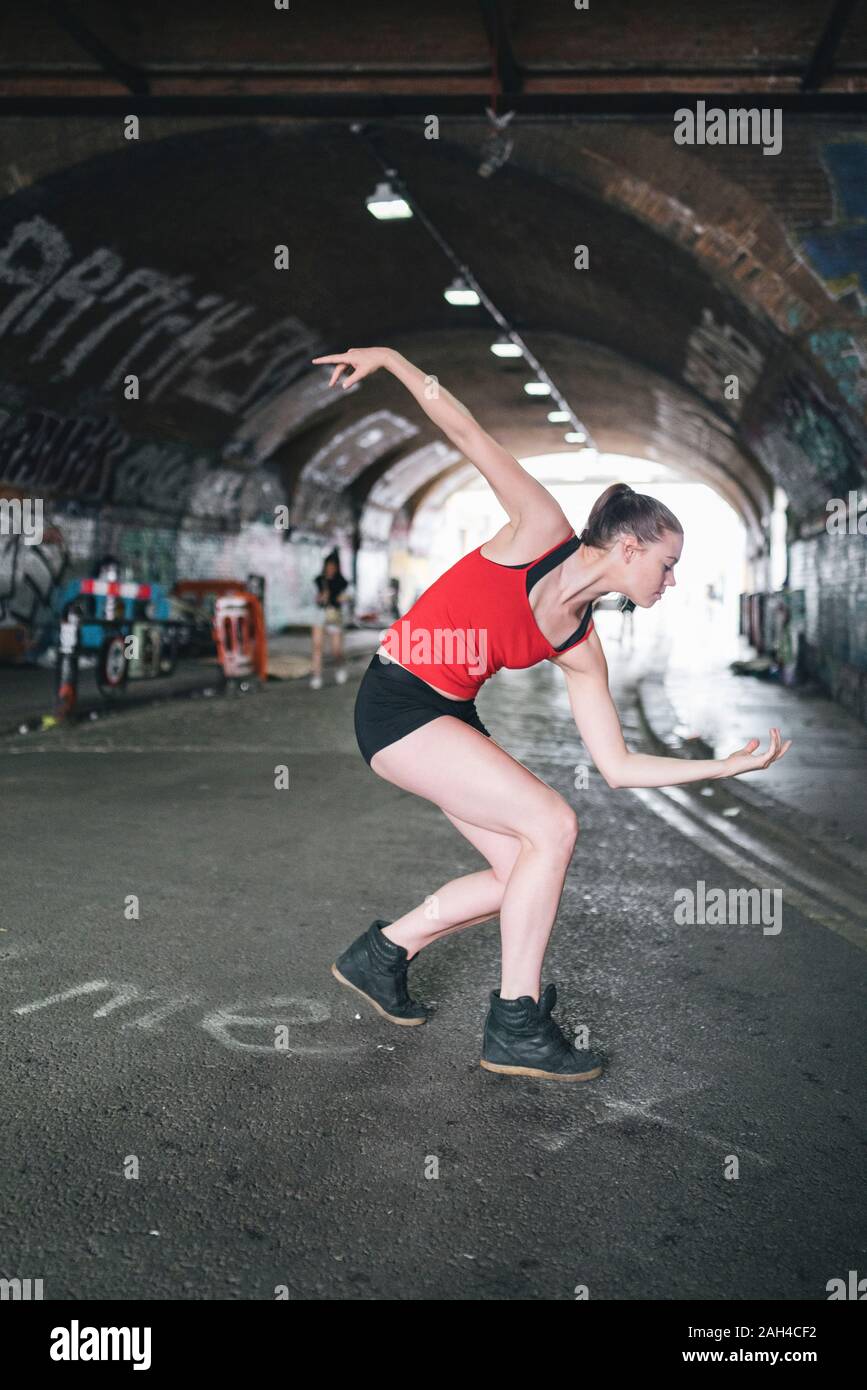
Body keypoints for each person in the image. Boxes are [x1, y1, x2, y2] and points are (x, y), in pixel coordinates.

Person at [312, 347, 792, 1083]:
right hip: (395, 703)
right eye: (665, 564)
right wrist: (392, 362)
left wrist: (724, 764)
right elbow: (468, 432)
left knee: (522, 875)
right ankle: (515, 1023)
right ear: (627, 546)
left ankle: (380, 956)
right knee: (552, 824)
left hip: (449, 718)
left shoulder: (578, 643)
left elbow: (618, 766)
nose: (672, 579)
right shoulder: (539, 528)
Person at [310, 549, 349, 691]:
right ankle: (316, 676)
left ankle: (340, 666)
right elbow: (312, 598)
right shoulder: (318, 581)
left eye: (333, 567)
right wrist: (320, 597)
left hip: (334, 616)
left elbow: (347, 597)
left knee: (336, 649)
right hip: (320, 614)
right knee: (317, 646)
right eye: (328, 566)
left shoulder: (342, 582)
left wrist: (340, 598)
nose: (330, 569)